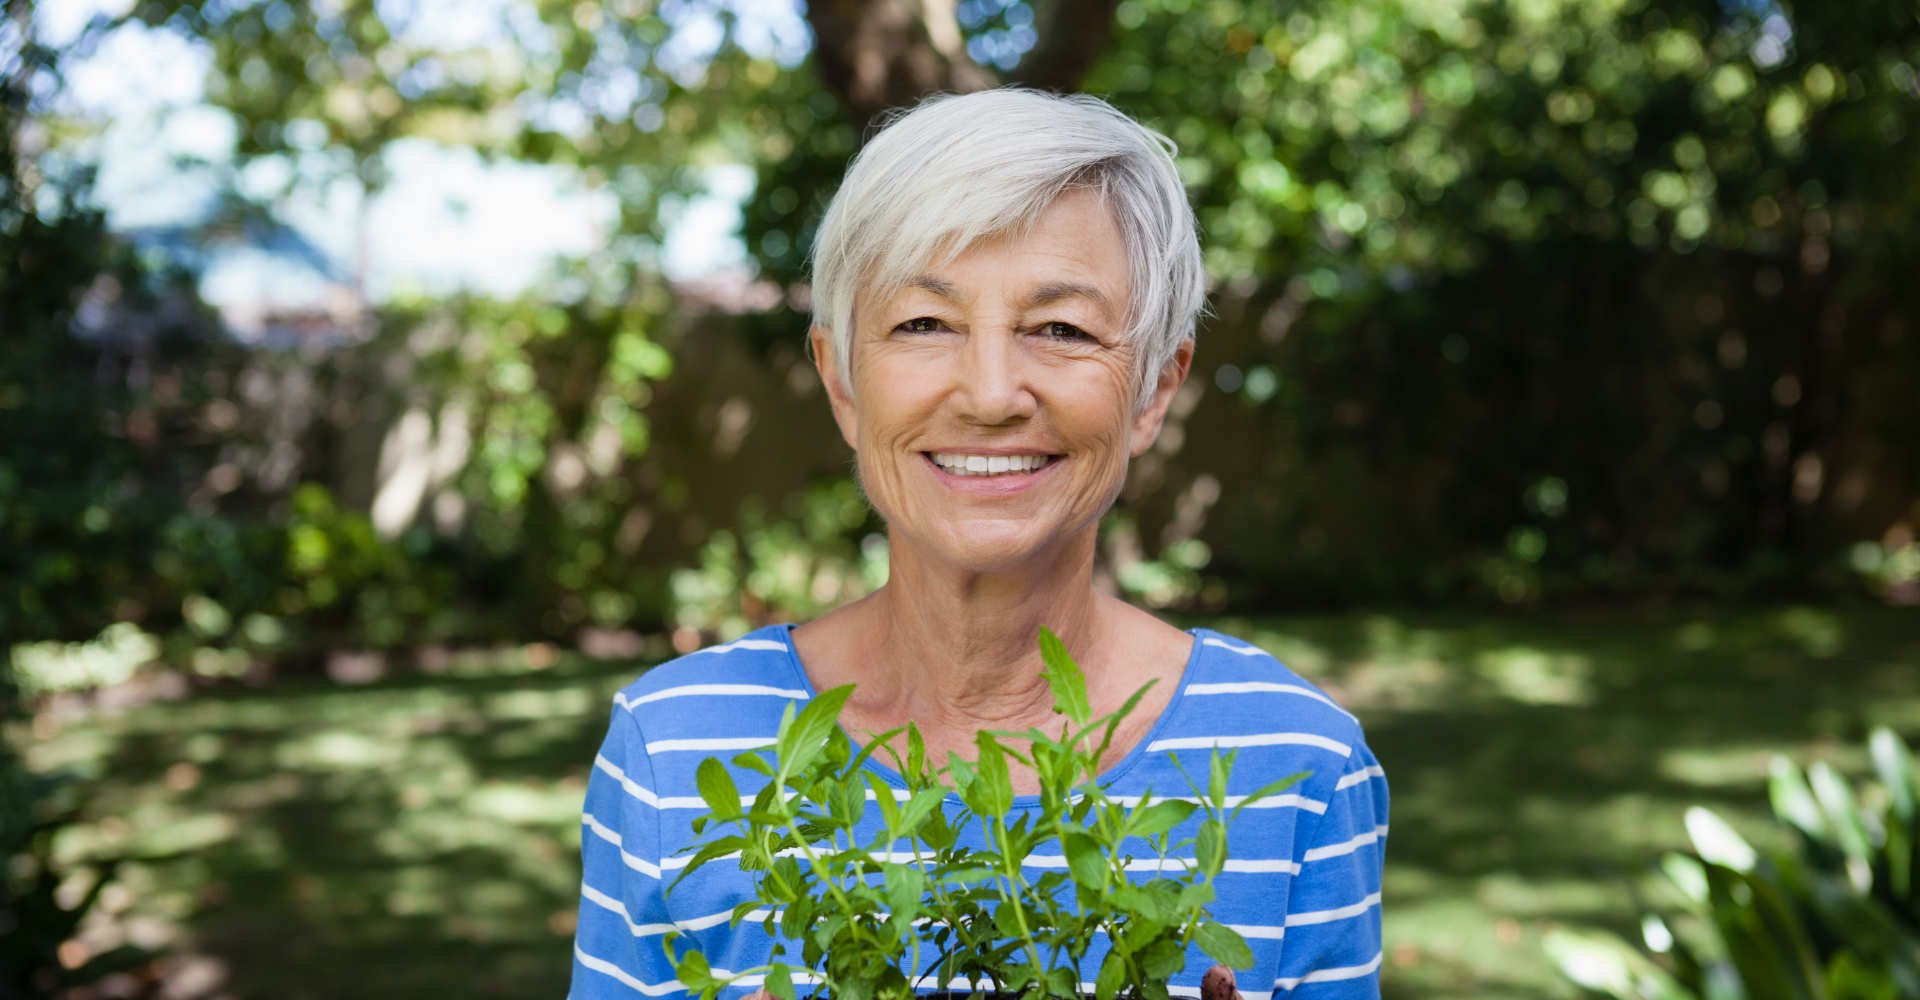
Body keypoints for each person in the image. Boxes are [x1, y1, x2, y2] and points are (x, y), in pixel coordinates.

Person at [569, 88, 1388, 999]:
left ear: (1155, 389)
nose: (992, 393)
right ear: (842, 383)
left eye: (1062, 329)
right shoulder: (672, 749)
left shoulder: (1300, 763)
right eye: (924, 323)